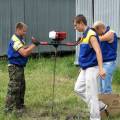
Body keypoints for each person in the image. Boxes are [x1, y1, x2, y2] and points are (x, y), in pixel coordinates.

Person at [74, 15, 107, 120]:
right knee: (78, 88)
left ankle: (95, 118)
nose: (75, 28)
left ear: (81, 23)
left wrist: (101, 69)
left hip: (92, 68)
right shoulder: (84, 35)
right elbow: (86, 53)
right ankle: (100, 105)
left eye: (76, 25)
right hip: (85, 68)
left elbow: (98, 51)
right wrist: (82, 66)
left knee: (91, 93)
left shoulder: (91, 34)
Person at [5, 22, 40, 114]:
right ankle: (8, 109)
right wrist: (34, 45)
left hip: (20, 67)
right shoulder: (15, 40)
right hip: (14, 67)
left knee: (21, 87)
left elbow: (23, 49)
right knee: (14, 87)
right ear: (18, 29)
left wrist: (31, 45)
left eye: (26, 31)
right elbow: (24, 53)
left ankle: (19, 106)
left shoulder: (20, 40)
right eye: (24, 31)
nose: (25, 33)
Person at [93, 21, 117, 94]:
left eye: (96, 31)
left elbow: (101, 38)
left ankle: (110, 105)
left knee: (106, 88)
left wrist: (92, 37)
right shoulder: (101, 35)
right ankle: (102, 105)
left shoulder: (111, 33)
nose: (96, 33)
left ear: (100, 28)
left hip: (108, 63)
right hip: (101, 63)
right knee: (100, 89)